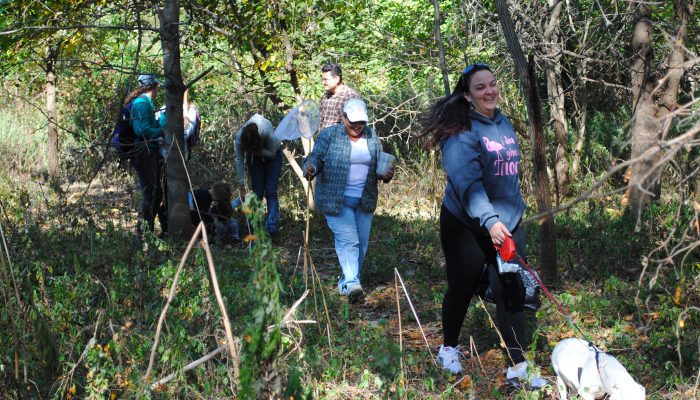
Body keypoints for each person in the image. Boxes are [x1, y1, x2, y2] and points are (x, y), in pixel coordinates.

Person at [422, 63, 547, 387]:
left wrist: (512, 213)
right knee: (461, 288)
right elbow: (469, 185)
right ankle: (448, 348)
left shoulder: (501, 121)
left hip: (507, 221)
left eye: (492, 84)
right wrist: (490, 221)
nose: (489, 91)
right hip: (466, 223)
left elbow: (508, 175)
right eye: (480, 88)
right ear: (467, 94)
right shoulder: (460, 133)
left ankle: (519, 368)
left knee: (512, 289)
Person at [304, 99, 394, 303]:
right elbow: (315, 158)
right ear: (343, 118)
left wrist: (386, 175)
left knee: (361, 244)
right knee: (349, 240)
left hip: (365, 199)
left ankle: (347, 283)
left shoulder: (371, 137)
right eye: (352, 122)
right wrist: (310, 168)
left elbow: (380, 165)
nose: (357, 126)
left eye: (361, 122)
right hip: (335, 200)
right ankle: (353, 281)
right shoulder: (330, 135)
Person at [235, 114, 282, 234]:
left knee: (270, 190)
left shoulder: (266, 129)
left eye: (250, 149)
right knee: (257, 191)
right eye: (247, 149)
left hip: (273, 153)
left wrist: (258, 151)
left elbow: (271, 153)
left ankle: (271, 227)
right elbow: (239, 160)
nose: (248, 151)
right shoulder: (239, 138)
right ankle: (254, 227)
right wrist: (241, 184)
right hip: (256, 156)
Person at [129, 74, 165, 233]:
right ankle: (143, 233)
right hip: (144, 153)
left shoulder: (147, 103)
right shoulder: (141, 104)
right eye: (158, 86)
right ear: (154, 86)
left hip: (150, 152)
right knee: (148, 193)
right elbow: (141, 129)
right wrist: (161, 131)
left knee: (156, 193)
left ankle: (147, 230)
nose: (158, 90)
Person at [318, 63, 360, 131]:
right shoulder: (325, 96)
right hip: (324, 140)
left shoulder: (351, 97)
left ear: (337, 79)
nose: (323, 82)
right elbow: (321, 122)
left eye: (326, 79)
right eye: (322, 79)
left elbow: (357, 127)